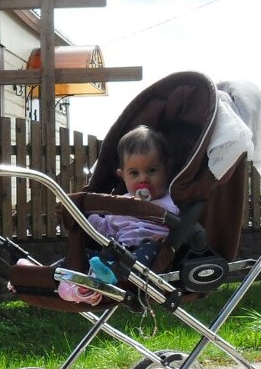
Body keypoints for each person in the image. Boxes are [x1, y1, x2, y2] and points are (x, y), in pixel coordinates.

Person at [58, 125, 178, 304]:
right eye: (134, 173)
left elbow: (181, 227)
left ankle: (107, 276)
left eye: (152, 170)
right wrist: (87, 218)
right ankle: (59, 277)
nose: (143, 178)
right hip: (118, 252)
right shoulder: (119, 203)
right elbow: (107, 230)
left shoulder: (172, 201)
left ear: (166, 170)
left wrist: (167, 237)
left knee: (149, 248)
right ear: (122, 176)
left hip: (150, 257)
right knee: (82, 255)